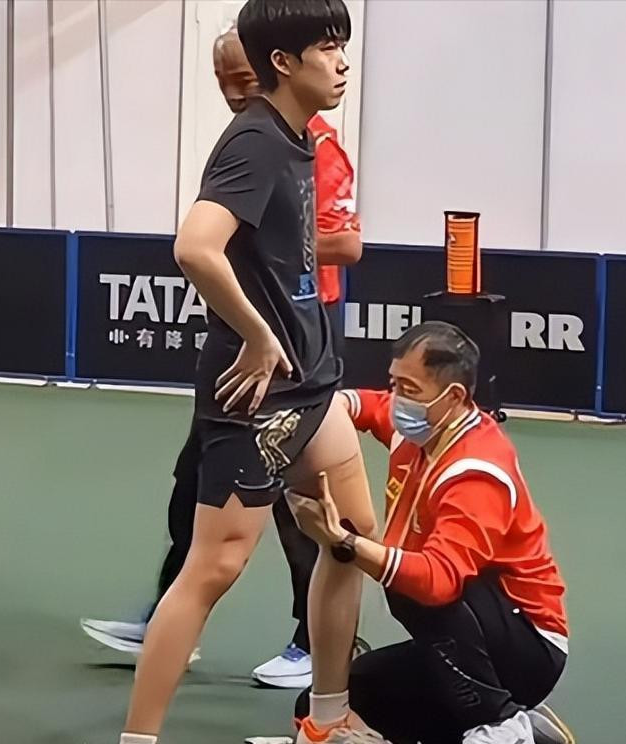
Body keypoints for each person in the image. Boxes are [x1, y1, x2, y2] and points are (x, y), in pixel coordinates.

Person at [118, 3, 385, 744]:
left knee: (351, 537)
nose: (342, 61)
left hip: (311, 385)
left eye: (342, 45)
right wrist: (258, 335)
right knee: (213, 567)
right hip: (260, 394)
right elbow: (195, 247)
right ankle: (137, 738)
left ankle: (326, 722)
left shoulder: (301, 139)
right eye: (326, 47)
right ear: (283, 63)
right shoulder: (256, 142)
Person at [288, 321, 573, 744]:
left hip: (527, 648)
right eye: (395, 383)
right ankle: (527, 727)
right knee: (330, 702)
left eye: (409, 389)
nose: (397, 399)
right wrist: (325, 409)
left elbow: (438, 582)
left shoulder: (476, 471)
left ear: (454, 397)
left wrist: (344, 542)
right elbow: (366, 406)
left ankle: (501, 724)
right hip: (466, 644)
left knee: (413, 587)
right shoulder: (421, 427)